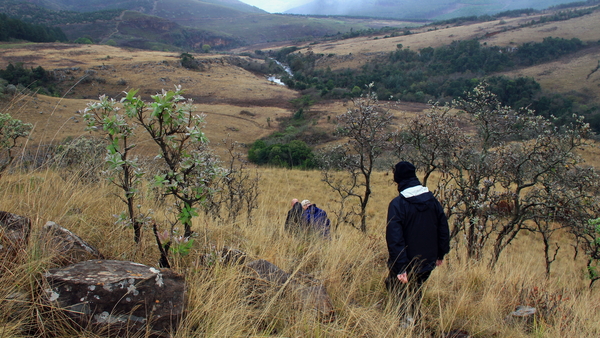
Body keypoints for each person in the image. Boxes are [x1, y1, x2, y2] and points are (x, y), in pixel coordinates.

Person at [385, 161, 450, 327]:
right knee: (416, 290)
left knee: (395, 289)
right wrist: (440, 254)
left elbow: (394, 237)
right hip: (428, 260)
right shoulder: (432, 201)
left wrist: (400, 267)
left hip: (405, 262)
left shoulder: (398, 204)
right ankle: (415, 320)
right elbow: (443, 228)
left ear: (398, 180)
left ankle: (402, 324)